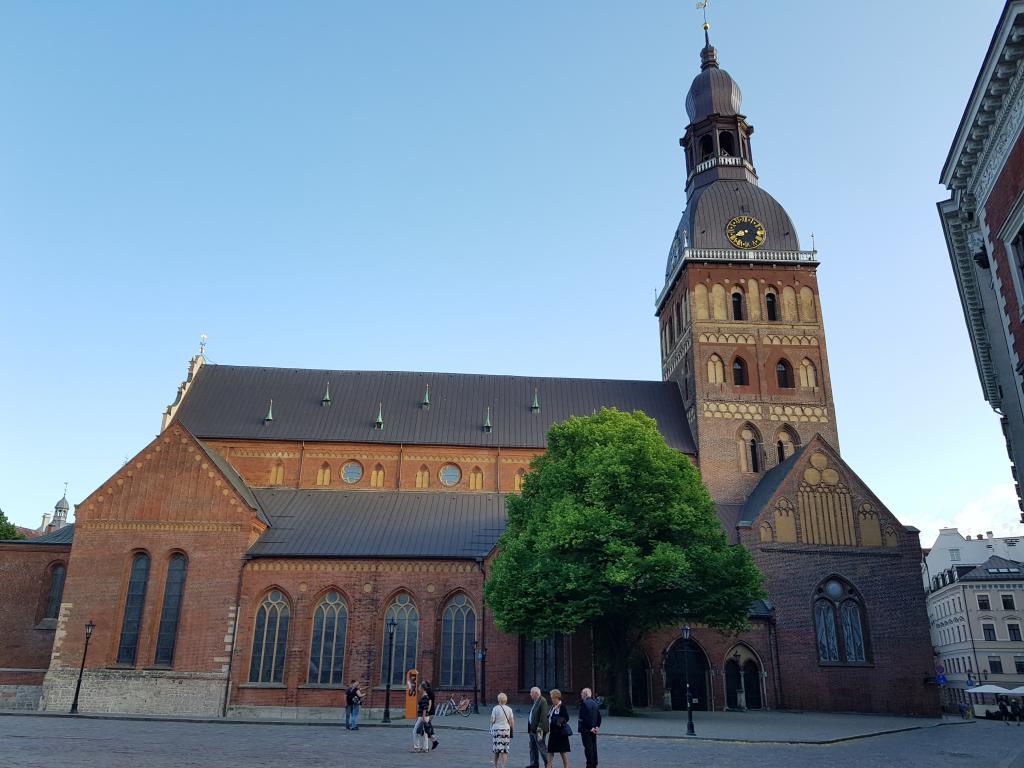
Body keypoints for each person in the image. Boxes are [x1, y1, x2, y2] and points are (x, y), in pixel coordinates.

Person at [546, 689, 570, 768]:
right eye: (551, 698)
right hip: (553, 733)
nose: (551, 699)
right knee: (550, 752)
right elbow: (549, 717)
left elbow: (566, 718)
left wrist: (557, 721)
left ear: (557, 697)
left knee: (563, 753)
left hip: (560, 734)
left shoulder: (562, 706)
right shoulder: (553, 706)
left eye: (553, 698)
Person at [526, 686, 550, 768]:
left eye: (531, 693)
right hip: (532, 729)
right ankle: (534, 764)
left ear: (536, 693)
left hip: (539, 730)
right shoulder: (536, 701)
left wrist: (539, 729)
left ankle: (548, 764)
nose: (530, 694)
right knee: (532, 746)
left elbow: (543, 717)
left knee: (541, 746)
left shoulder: (542, 701)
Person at [577, 687, 601, 768]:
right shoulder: (595, 703)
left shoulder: (584, 704)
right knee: (594, 747)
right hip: (593, 729)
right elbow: (599, 717)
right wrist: (597, 727)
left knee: (588, 748)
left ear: (585, 694)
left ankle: (590, 764)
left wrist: (591, 728)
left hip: (586, 730)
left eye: (582, 694)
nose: (581, 695)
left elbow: (584, 718)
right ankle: (594, 763)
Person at [490, 692, 515, 768]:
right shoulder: (509, 709)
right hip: (505, 731)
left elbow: (492, 720)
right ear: (506, 700)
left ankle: (496, 766)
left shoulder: (495, 708)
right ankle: (503, 766)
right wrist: (512, 730)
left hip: (497, 730)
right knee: (504, 750)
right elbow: (512, 721)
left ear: (498, 700)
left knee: (497, 750)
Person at [412, 684, 431, 752]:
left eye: (419, 688)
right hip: (425, 717)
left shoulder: (425, 697)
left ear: (423, 689)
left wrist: (423, 717)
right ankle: (425, 748)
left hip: (423, 717)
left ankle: (416, 747)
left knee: (415, 731)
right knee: (425, 733)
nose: (418, 689)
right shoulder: (425, 696)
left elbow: (425, 708)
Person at [423, 680, 439, 750]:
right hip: (431, 711)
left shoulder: (428, 691)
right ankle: (433, 741)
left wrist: (427, 711)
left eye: (423, 684)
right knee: (427, 726)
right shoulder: (429, 690)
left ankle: (433, 741)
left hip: (430, 711)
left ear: (426, 685)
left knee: (426, 727)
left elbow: (429, 702)